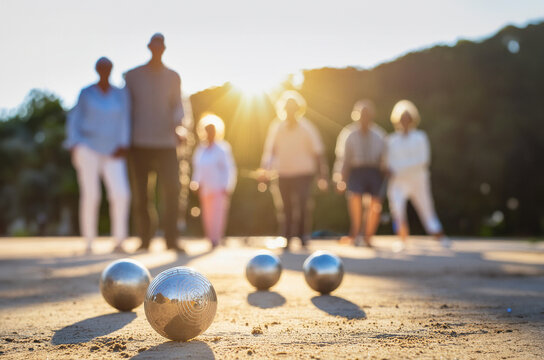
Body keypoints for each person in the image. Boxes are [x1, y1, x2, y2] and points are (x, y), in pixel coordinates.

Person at [125, 33, 185, 252]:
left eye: (161, 45)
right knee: (141, 194)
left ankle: (172, 239)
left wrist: (179, 127)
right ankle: (145, 239)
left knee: (172, 190)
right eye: (154, 45)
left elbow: (177, 106)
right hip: (139, 142)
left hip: (166, 142)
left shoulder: (173, 77)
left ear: (164, 48)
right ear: (149, 47)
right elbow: (125, 109)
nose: (157, 48)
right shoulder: (132, 76)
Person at [65, 57, 131, 254]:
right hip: (88, 147)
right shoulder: (86, 93)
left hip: (114, 150)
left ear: (111, 69)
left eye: (108, 67)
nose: (104, 70)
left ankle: (119, 240)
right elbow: (74, 119)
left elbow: (125, 119)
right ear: (97, 69)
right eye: (101, 68)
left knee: (121, 194)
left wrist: (124, 143)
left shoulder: (120, 94)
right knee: (91, 195)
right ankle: (89, 242)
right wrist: (75, 143)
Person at [260, 90, 328, 250]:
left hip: (303, 173)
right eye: (288, 108)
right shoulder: (277, 127)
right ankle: (287, 237)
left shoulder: (307, 128)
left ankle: (303, 235)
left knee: (303, 204)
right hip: (282, 173)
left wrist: (322, 175)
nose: (290, 111)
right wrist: (265, 170)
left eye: (293, 108)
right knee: (285, 207)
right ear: (283, 109)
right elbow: (270, 151)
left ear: (298, 109)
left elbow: (318, 153)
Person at [385, 100, 450, 251]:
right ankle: (402, 238)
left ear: (413, 119)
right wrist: (393, 170)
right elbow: (389, 163)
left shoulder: (420, 137)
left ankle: (439, 236)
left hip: (418, 181)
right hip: (398, 183)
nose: (405, 121)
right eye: (402, 118)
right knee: (397, 209)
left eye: (408, 118)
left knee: (427, 209)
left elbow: (423, 160)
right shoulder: (391, 140)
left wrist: (399, 169)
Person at [333, 100, 386, 247]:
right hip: (356, 170)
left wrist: (385, 170)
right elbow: (343, 160)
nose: (364, 118)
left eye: (367, 115)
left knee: (375, 203)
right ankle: (355, 232)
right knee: (354, 197)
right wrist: (340, 178)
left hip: (374, 171)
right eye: (362, 115)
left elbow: (384, 158)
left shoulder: (379, 135)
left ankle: (368, 235)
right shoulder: (349, 134)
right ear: (356, 116)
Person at [191, 114, 237, 248]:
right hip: (205, 188)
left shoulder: (223, 148)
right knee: (207, 215)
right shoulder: (201, 149)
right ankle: (210, 238)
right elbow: (197, 168)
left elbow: (229, 169)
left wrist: (228, 186)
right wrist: (195, 182)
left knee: (218, 215)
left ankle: (216, 239)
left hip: (219, 187)